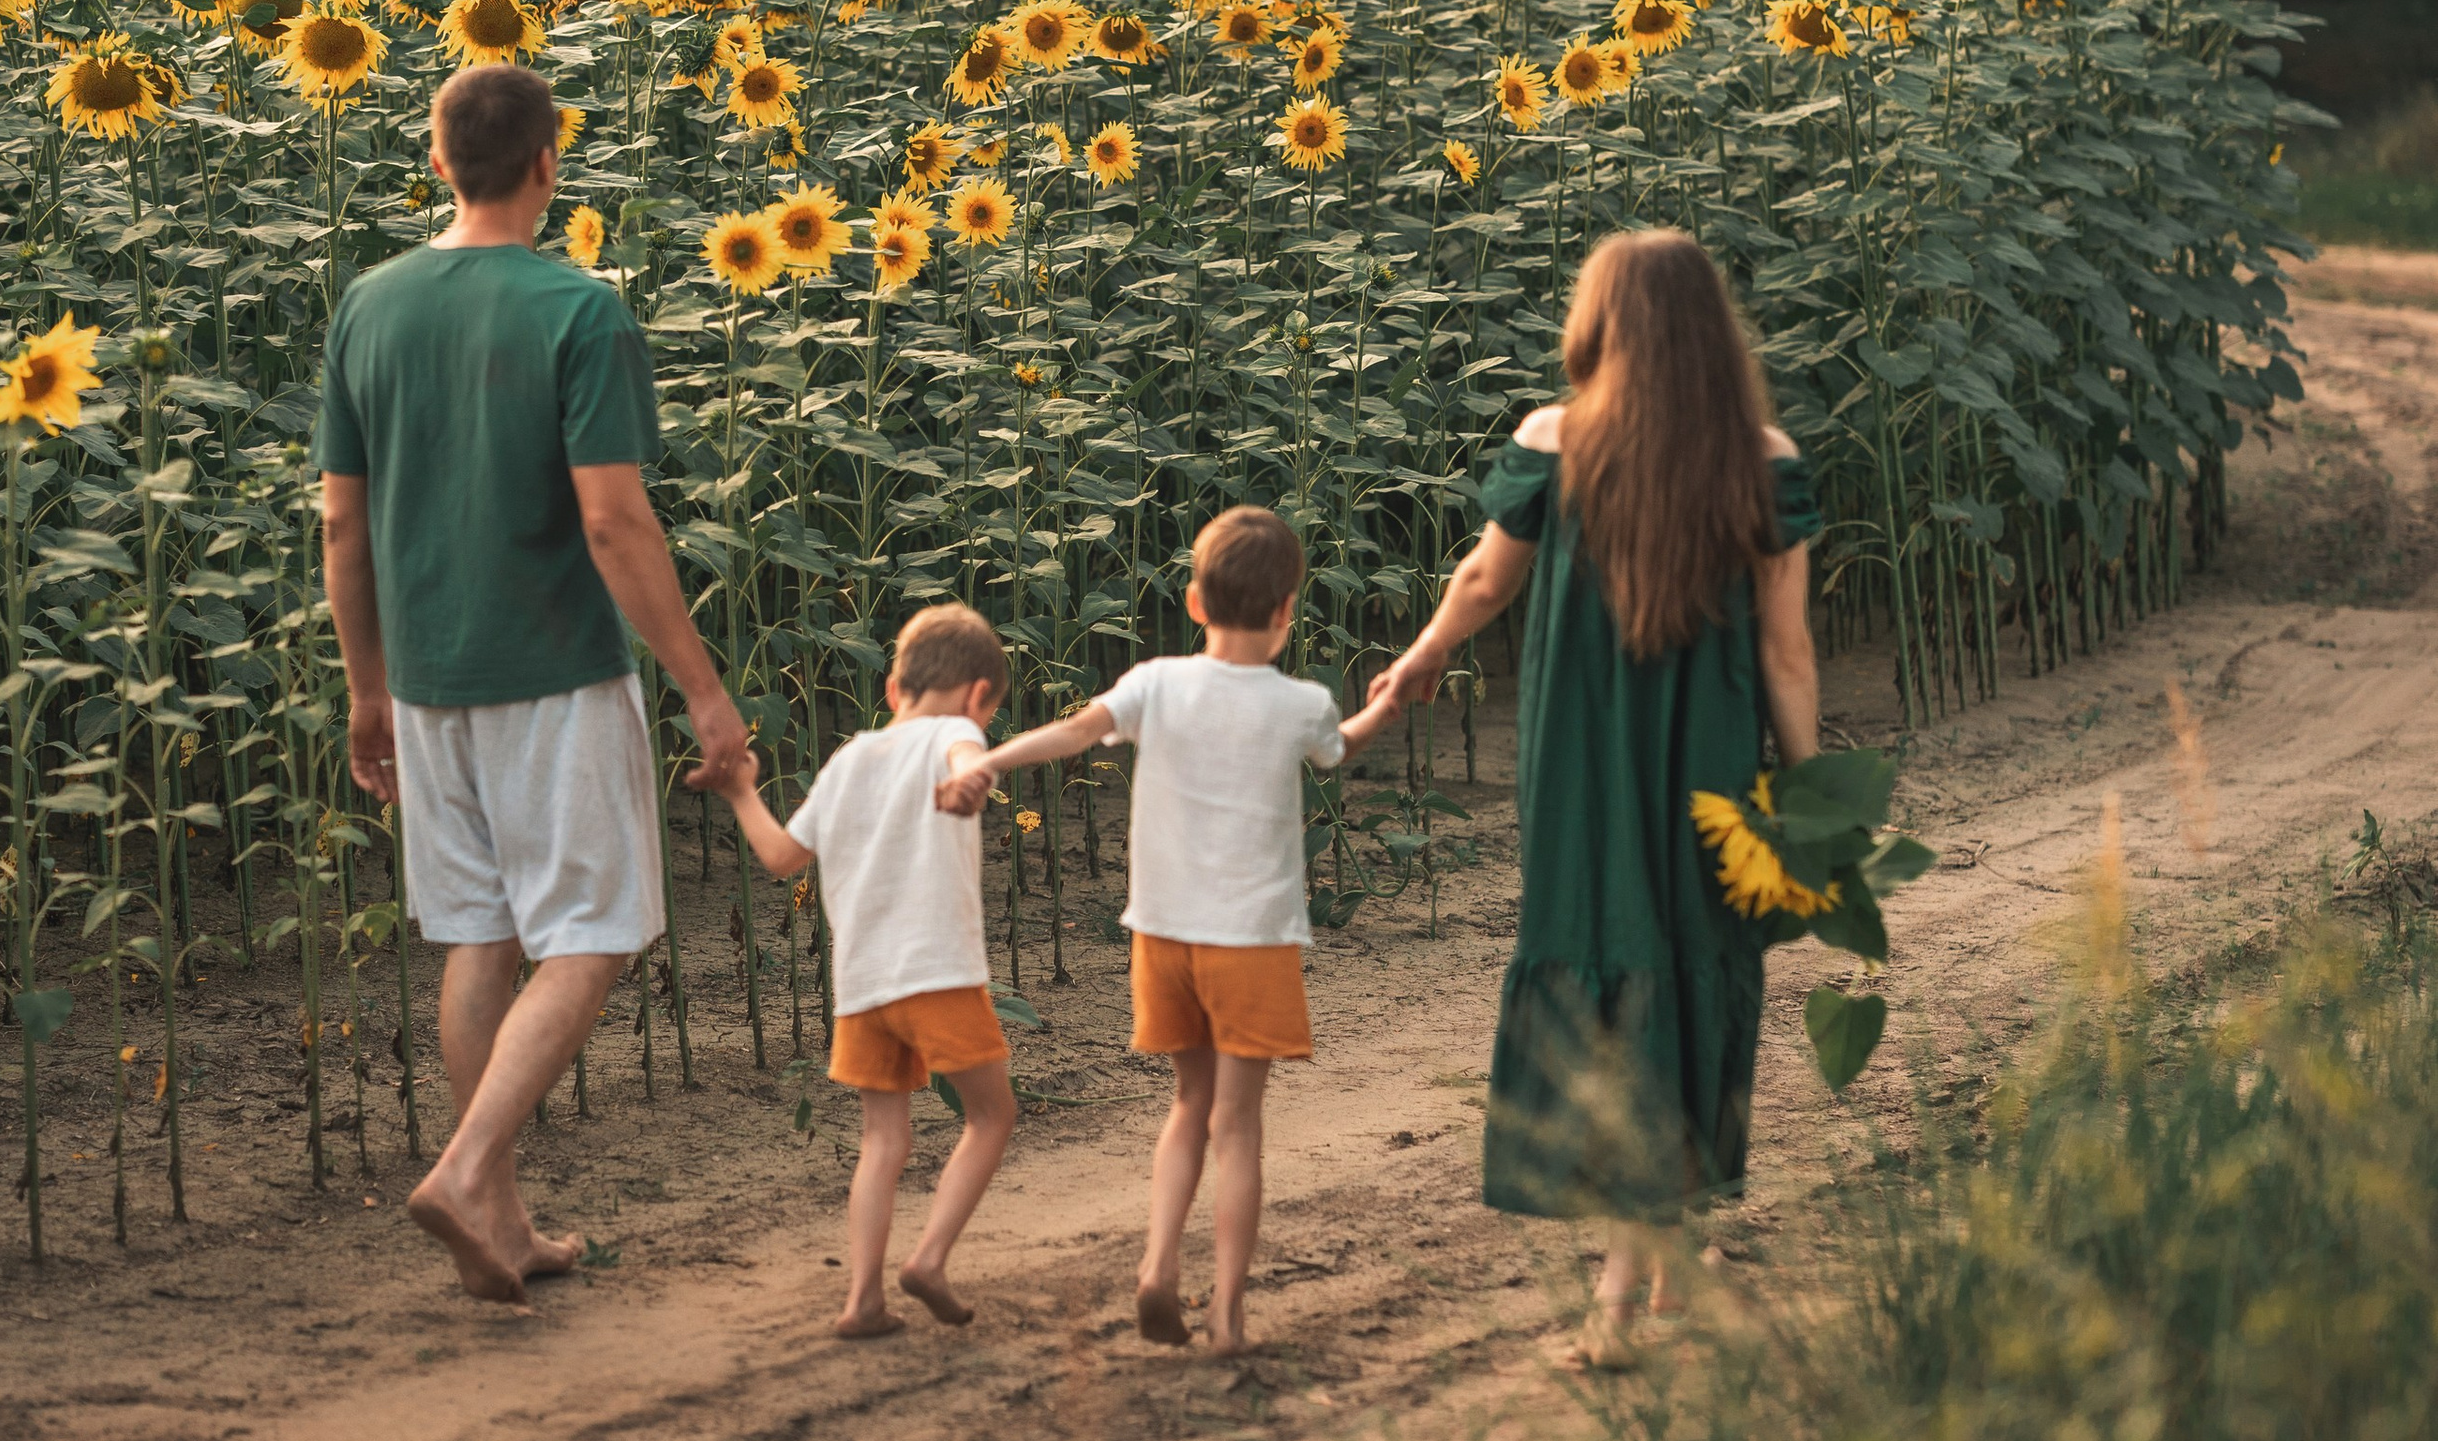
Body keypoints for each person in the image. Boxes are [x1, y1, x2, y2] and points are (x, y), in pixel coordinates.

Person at [319, 62, 748, 1309]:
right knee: (593, 934)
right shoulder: (580, 311)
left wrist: (367, 690)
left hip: (428, 682)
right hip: (552, 673)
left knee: (479, 933)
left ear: (439, 161)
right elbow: (615, 524)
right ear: (549, 167)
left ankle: (498, 1220)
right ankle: (463, 1174)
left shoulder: (370, 306)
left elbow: (343, 529)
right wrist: (703, 691)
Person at [1367, 228, 1819, 1366]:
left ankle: (1617, 1303)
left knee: (1606, 953)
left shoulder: (1555, 441)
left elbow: (1482, 577)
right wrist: (1810, 793)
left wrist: (1422, 655)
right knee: (1688, 956)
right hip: (1707, 766)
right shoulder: (1760, 457)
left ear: (1599, 324)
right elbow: (1787, 651)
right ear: (1712, 332)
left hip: (1577, 763)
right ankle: (1661, 1257)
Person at [937, 507, 1394, 1352]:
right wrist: (1388, 702)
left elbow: (1076, 731)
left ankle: (1156, 1268)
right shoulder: (1301, 703)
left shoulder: (1155, 683)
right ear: (1288, 610)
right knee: (1240, 1125)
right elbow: (1341, 746)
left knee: (1187, 1105)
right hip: (1251, 942)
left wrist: (988, 761)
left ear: (1193, 602)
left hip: (1164, 938)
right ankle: (1225, 1308)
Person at [723, 605, 1018, 1338]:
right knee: (991, 1115)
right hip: (938, 971)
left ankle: (862, 1300)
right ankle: (929, 1260)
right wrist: (967, 777)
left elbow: (782, 858)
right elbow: (961, 755)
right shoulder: (958, 733)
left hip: (861, 988)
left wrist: (739, 792)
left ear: (892, 689)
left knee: (882, 1143)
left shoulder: (849, 758)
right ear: (980, 696)